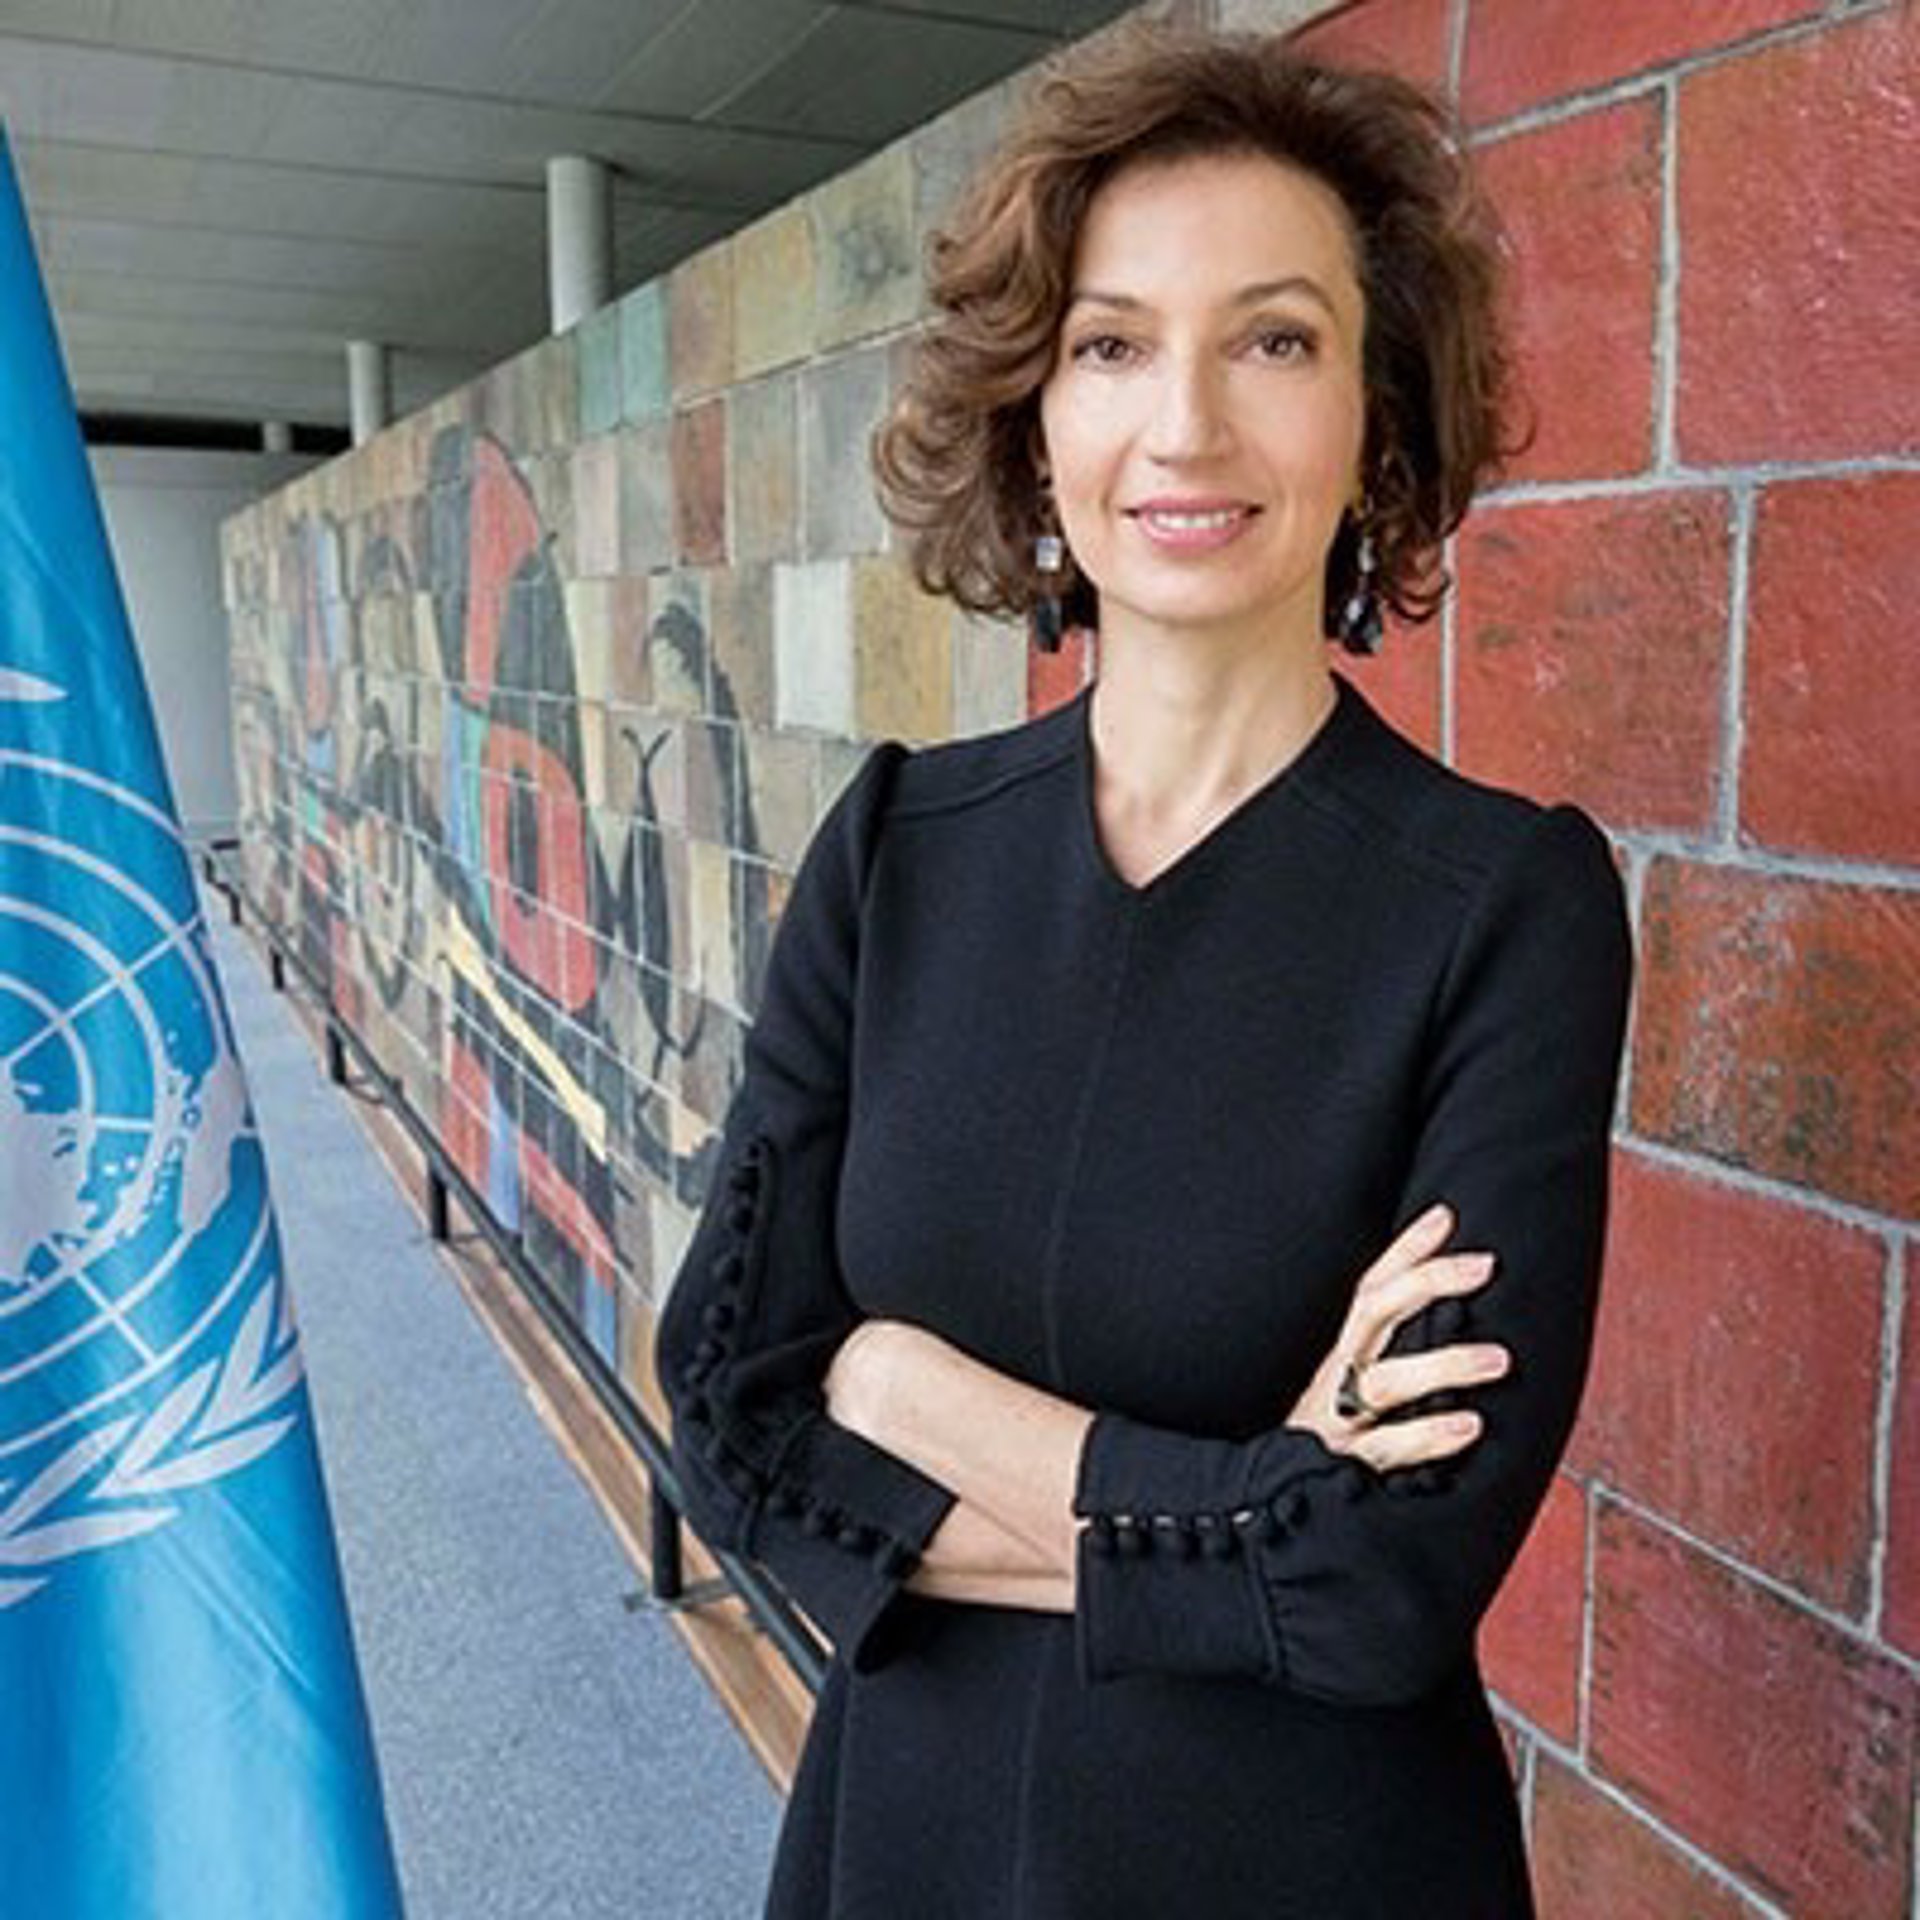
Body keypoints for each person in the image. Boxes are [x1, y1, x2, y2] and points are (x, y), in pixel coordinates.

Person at [657, 27, 1633, 1918]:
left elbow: (1377, 1582)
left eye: (1273, 340)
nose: (1184, 426)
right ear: (1035, 416)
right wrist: (1244, 1499)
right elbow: (728, 1422)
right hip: (910, 1839)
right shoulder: (895, 852)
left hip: (1301, 1861)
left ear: (1377, 420)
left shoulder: (1503, 906)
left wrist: (898, 1382)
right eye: (1112, 346)